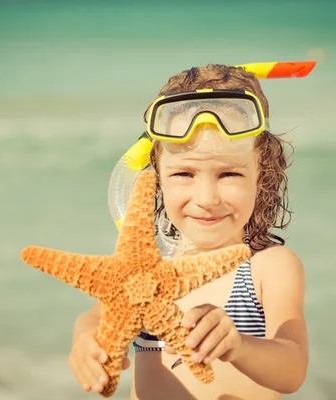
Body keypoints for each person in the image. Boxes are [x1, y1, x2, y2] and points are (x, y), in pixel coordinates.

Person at [69, 63, 309, 399]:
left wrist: (238, 346)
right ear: (157, 178)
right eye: (184, 174)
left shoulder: (268, 267)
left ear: (261, 175)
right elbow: (94, 316)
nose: (207, 199)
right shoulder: (141, 268)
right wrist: (85, 339)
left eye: (230, 175)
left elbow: (292, 367)